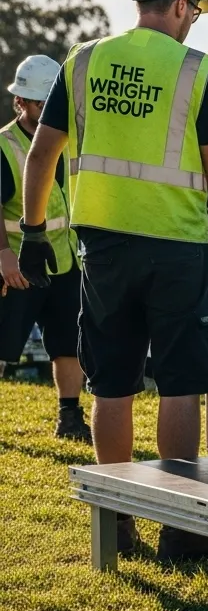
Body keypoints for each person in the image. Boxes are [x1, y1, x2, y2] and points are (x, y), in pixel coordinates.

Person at [18, 0, 208, 560]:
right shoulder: (196, 69)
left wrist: (31, 235)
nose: (194, 22)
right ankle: (180, 528)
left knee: (112, 383)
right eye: (196, 10)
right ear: (182, 4)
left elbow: (41, 155)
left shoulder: (81, 62)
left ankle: (118, 523)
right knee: (182, 381)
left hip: (100, 247)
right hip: (177, 248)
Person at [0, 55, 90, 441]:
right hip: (17, 267)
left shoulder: (71, 140)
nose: (49, 110)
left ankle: (69, 418)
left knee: (68, 345)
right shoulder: (4, 147)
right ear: (20, 102)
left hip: (65, 262)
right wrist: (3, 257)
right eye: (41, 103)